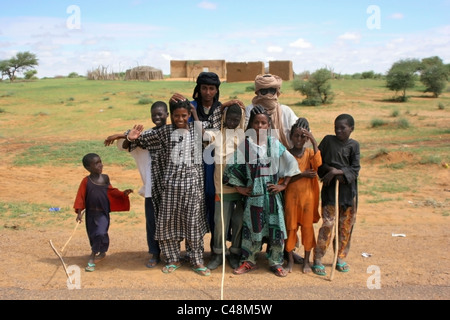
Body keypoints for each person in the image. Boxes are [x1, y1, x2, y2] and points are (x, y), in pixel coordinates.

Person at [126, 99, 211, 276]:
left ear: (189, 115)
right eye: (177, 116)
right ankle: (173, 258)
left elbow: (207, 139)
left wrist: (195, 113)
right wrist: (129, 136)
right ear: (171, 116)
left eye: (184, 115)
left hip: (193, 188)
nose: (180, 119)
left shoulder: (196, 130)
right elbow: (140, 139)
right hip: (171, 187)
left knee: (193, 224)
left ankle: (196, 260)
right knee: (169, 223)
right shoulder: (165, 131)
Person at [223, 106, 300, 277]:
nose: (259, 126)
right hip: (254, 198)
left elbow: (292, 163)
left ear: (268, 125)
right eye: (256, 122)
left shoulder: (274, 144)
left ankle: (276, 262)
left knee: (276, 229)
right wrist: (239, 188)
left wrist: (283, 185)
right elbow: (231, 169)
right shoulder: (246, 146)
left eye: (263, 123)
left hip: (272, 197)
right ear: (251, 125)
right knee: (252, 230)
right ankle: (249, 261)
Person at [104, 101, 169, 269]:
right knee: (152, 223)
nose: (157, 117)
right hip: (150, 190)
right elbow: (126, 146)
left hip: (170, 190)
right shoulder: (143, 138)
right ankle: (154, 253)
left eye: (160, 114)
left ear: (167, 115)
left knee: (170, 223)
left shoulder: (171, 135)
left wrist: (118, 134)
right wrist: (125, 137)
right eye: (154, 114)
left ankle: (170, 254)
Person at [170, 72, 223, 252]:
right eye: (204, 88)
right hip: (191, 165)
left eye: (211, 88)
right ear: (198, 89)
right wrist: (174, 105)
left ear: (216, 90)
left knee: (214, 206)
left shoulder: (220, 110)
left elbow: (211, 142)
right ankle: (194, 250)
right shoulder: (189, 107)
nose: (207, 92)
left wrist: (196, 116)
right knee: (193, 206)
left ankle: (216, 250)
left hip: (213, 165)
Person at [312, 114, 360, 276]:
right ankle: (318, 258)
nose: (339, 130)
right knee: (328, 224)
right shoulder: (328, 141)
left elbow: (355, 169)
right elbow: (318, 162)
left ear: (351, 129)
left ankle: (340, 257)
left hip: (348, 194)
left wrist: (336, 171)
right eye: (336, 127)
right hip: (330, 192)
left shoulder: (354, 146)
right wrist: (329, 171)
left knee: (345, 226)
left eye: (343, 128)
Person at [73, 153, 133, 272]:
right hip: (91, 213)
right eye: (96, 163)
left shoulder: (105, 178)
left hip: (103, 213)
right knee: (93, 234)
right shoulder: (86, 181)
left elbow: (111, 191)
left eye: (100, 162)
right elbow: (80, 196)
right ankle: (102, 251)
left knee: (100, 232)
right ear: (88, 168)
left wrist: (122, 194)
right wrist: (79, 212)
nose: (100, 165)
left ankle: (93, 255)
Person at [205, 103, 246, 270]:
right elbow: (206, 130)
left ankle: (235, 253)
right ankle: (218, 254)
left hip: (241, 187)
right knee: (220, 222)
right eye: (229, 118)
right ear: (224, 118)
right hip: (221, 186)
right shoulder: (217, 133)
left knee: (238, 222)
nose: (232, 122)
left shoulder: (244, 135)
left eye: (236, 119)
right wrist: (223, 107)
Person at [283, 118, 322, 274]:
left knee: (307, 229)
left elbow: (318, 165)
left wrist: (313, 141)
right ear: (291, 136)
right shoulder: (286, 154)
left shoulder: (310, 153)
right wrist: (302, 174)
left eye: (303, 137)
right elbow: (284, 178)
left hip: (307, 199)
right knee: (290, 229)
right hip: (291, 199)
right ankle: (290, 260)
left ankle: (306, 261)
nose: (299, 140)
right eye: (296, 136)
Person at [245, 74, 298, 149]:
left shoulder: (285, 111)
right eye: (264, 91)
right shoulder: (250, 109)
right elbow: (245, 136)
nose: (268, 94)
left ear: (276, 92)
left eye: (271, 91)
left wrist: (302, 123)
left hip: (282, 155)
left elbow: (298, 134)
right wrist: (252, 116)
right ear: (258, 92)